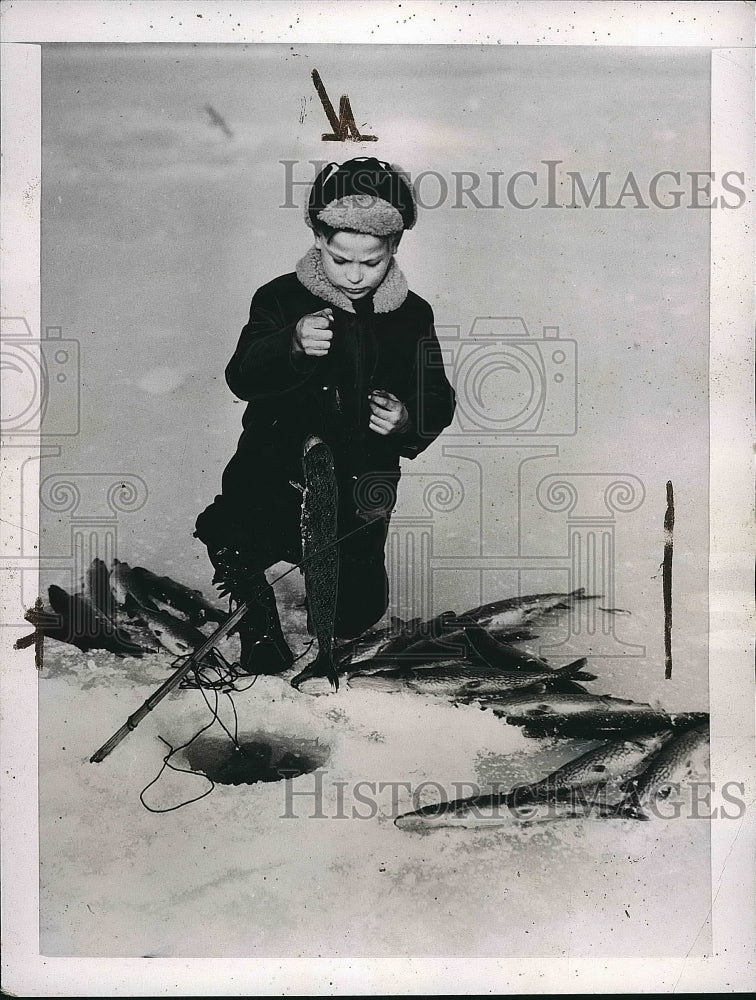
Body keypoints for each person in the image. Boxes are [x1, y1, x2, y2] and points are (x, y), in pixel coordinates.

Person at [194, 157, 456, 676]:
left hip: (362, 476)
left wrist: (408, 420)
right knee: (235, 534)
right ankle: (261, 625)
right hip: (274, 462)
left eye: (372, 262)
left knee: (357, 610)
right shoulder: (279, 298)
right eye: (341, 260)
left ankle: (335, 604)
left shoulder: (412, 315)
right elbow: (242, 375)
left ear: (395, 248)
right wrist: (288, 344)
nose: (356, 275)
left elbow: (437, 396)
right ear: (317, 238)